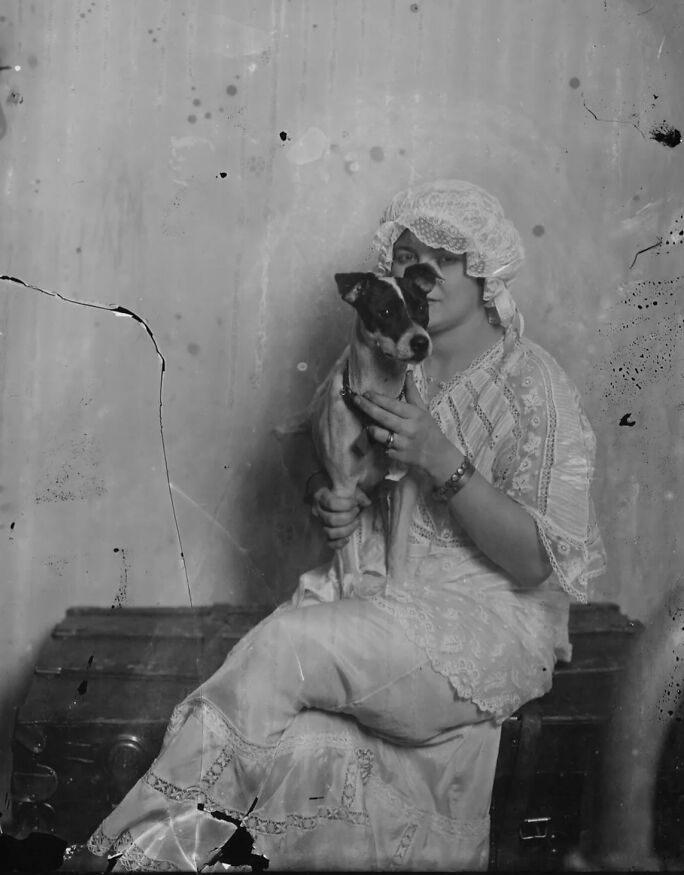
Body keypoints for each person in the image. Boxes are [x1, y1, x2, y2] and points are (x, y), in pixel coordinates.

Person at [85, 179, 606, 871]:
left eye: (441, 259)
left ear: (484, 271)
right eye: (408, 259)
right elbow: (312, 445)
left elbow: (537, 562)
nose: (420, 277)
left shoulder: (531, 385)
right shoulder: (385, 356)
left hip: (473, 630)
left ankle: (124, 861)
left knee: (280, 651)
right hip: (367, 608)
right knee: (296, 751)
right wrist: (327, 498)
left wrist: (442, 459)